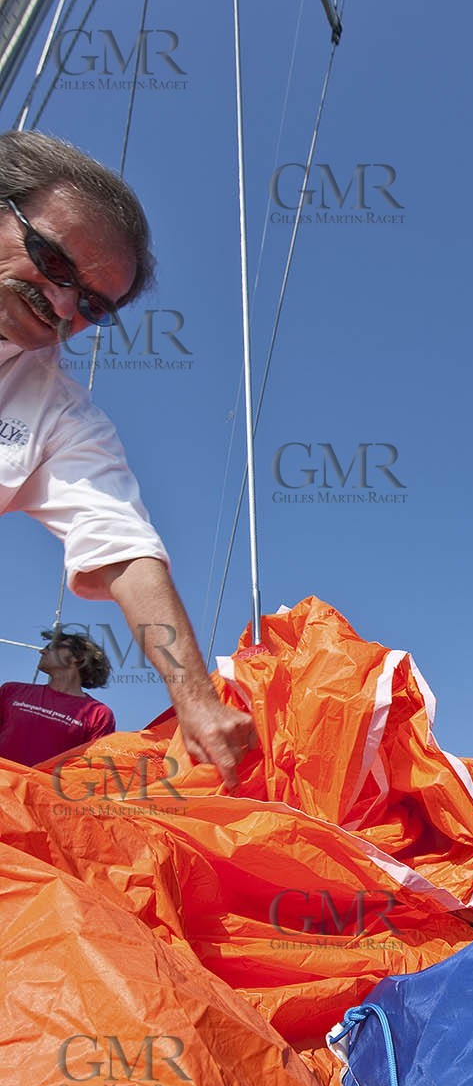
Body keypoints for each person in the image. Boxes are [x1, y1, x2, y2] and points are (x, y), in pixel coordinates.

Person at [0, 130, 255, 788]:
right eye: (54, 263)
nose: (60, 304)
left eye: (89, 305)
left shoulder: (58, 414)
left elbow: (123, 544)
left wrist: (197, 701)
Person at [0, 627, 115, 766]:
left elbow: (93, 769)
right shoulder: (11, 691)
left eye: (51, 646)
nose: (42, 651)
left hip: (45, 787)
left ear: (78, 657)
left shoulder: (98, 714)